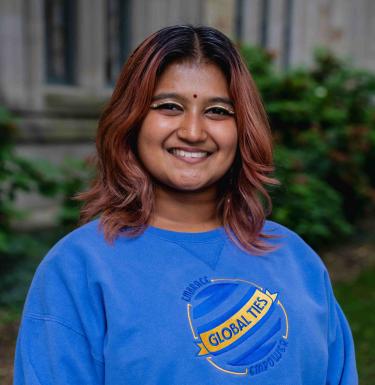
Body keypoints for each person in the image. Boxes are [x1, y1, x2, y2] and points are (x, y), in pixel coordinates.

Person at [13, 25, 358, 385]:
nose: (193, 131)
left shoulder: (296, 260)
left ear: (243, 128)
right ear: (131, 121)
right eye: (169, 106)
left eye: (218, 111)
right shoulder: (78, 269)